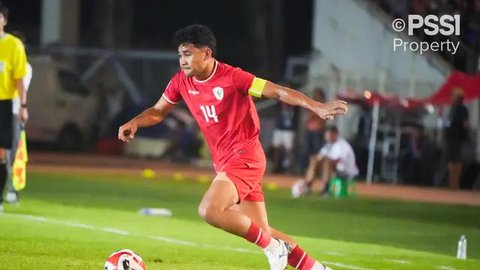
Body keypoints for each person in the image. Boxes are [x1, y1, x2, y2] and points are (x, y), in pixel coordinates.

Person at [118, 25, 347, 270]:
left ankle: (273, 248)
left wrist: (317, 107)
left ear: (206, 54)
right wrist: (135, 122)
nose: (182, 61)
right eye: (180, 55)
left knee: (210, 210)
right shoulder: (180, 82)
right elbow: (158, 111)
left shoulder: (232, 77)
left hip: (245, 156)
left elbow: (278, 92)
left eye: (187, 54)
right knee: (263, 230)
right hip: (227, 162)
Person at [0, 2, 29, 213]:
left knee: (1, 153)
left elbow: (20, 78)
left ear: (4, 20)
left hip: (4, 103)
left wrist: (23, 106)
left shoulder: (13, 45)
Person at [5, 31, 32, 204]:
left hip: (12, 112)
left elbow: (18, 88)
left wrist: (23, 109)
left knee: (12, 153)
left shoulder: (26, 68)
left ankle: (11, 189)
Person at [302, 125, 358, 195]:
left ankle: (326, 189)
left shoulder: (342, 145)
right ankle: (308, 185)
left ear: (335, 134)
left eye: (330, 134)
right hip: (332, 170)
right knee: (314, 160)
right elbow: (319, 158)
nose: (327, 136)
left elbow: (338, 161)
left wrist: (324, 161)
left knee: (327, 162)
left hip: (346, 172)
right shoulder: (327, 146)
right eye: (327, 134)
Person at [444, 90, 469, 189]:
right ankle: (452, 183)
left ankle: (455, 183)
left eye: (454, 96)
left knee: (456, 160)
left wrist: (465, 134)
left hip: (457, 138)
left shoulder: (462, 109)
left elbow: (465, 123)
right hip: (451, 137)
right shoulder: (452, 109)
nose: (452, 98)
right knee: (451, 160)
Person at [301, 88, 326, 171]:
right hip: (309, 130)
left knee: (317, 152)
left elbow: (320, 116)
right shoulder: (311, 103)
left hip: (318, 131)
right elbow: (308, 115)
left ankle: (316, 170)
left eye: (317, 94)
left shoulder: (323, 105)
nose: (316, 96)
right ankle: (305, 169)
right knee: (307, 151)